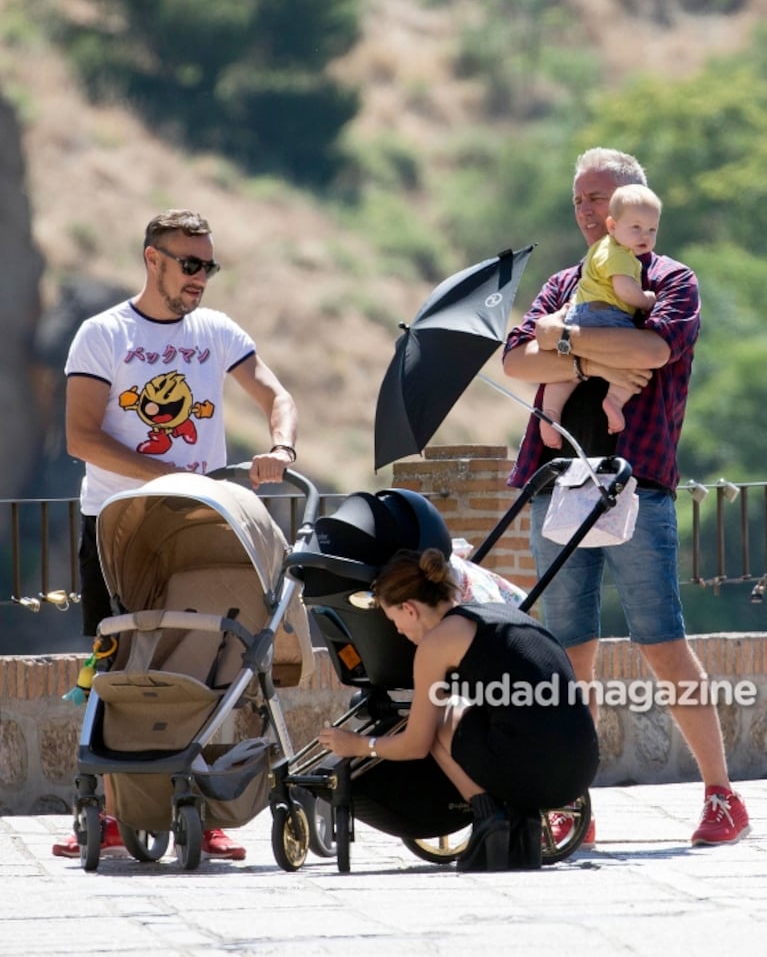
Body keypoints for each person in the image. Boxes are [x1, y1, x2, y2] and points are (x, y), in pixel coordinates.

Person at [502, 147, 750, 848]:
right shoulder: (563, 281)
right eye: (578, 199)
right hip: (558, 482)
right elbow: (518, 360)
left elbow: (655, 352)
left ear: (631, 202)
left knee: (662, 642)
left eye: (599, 197)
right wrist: (592, 350)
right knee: (568, 650)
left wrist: (571, 347)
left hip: (636, 479)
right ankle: (570, 804)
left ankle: (721, 794)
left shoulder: (670, 278)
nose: (588, 211)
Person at [53, 208, 298, 862]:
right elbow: (82, 436)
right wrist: (167, 474)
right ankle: (105, 812)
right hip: (118, 526)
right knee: (116, 663)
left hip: (200, 526)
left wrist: (281, 442)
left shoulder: (217, 331)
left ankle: (201, 806)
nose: (200, 278)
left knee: (210, 661)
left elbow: (275, 393)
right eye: (190, 264)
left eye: (208, 266)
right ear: (152, 258)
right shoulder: (103, 334)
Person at [318, 547, 599, 872]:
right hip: (580, 772)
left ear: (409, 609)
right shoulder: (498, 612)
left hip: (533, 770)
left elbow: (416, 744)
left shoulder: (437, 643)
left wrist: (359, 746)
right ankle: (523, 822)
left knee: (438, 715)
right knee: (476, 713)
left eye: (393, 619)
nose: (397, 631)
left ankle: (491, 817)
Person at [538, 183, 660, 449]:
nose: (645, 236)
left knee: (565, 373)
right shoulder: (622, 256)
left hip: (579, 315)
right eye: (636, 228)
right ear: (613, 226)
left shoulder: (599, 249)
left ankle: (550, 413)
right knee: (635, 363)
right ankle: (614, 400)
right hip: (610, 318)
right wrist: (646, 299)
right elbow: (624, 290)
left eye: (652, 229)